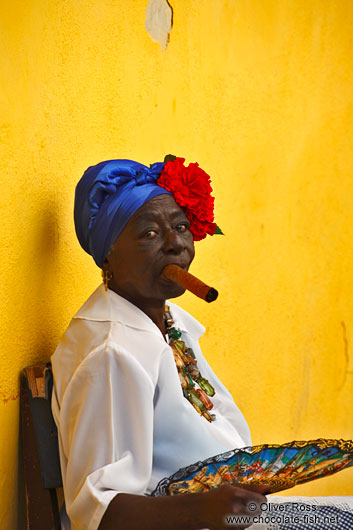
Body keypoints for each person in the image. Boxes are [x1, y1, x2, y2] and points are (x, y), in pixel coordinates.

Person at [51, 156, 267, 530]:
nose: (175, 244)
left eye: (181, 227)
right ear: (109, 256)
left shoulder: (169, 322)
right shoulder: (112, 353)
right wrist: (203, 510)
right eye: (149, 233)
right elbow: (97, 512)